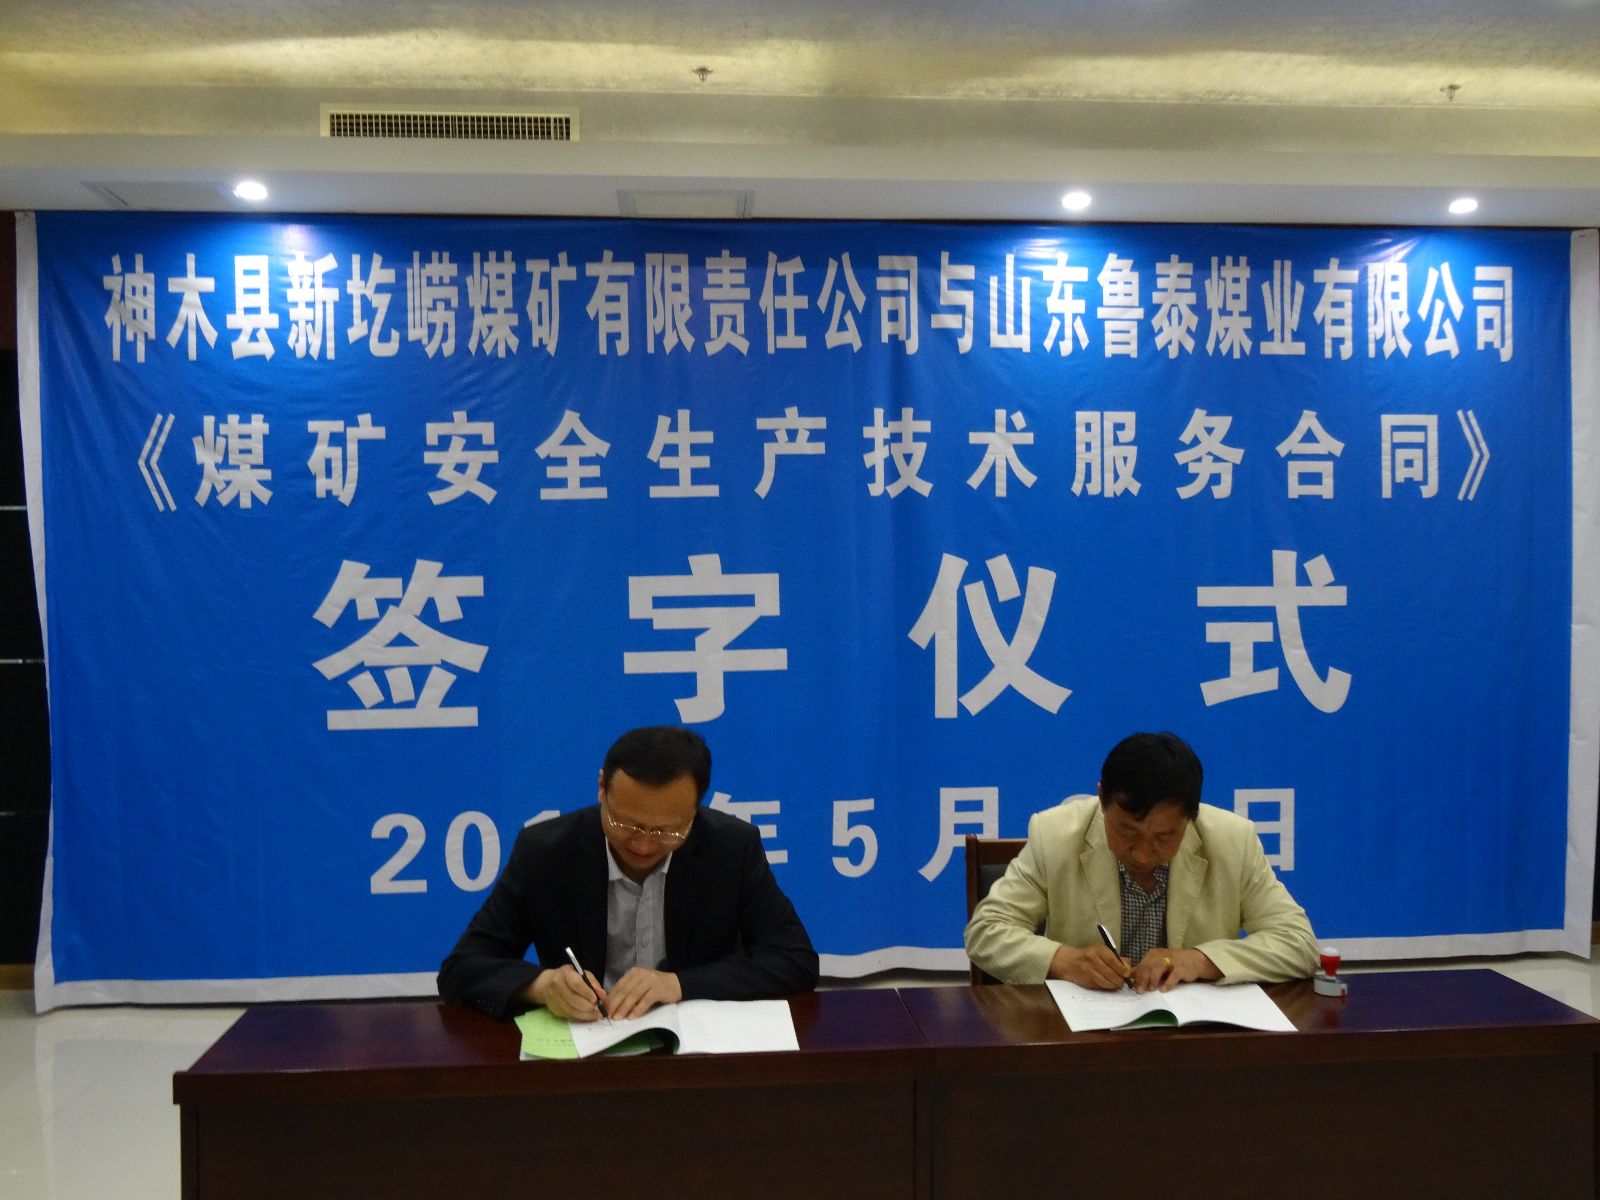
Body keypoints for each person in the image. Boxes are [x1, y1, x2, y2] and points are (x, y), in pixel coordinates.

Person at [438, 725, 819, 1021]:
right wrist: (542, 985)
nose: (644, 844)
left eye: (667, 831)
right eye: (625, 824)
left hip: (694, 1050)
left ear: (695, 810)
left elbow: (795, 960)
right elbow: (461, 968)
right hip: (586, 1047)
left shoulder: (732, 848)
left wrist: (678, 984)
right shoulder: (546, 852)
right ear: (601, 789)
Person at [964, 731, 1319, 992]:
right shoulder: (1054, 835)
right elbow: (985, 932)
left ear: (1191, 817)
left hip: (1194, 1043)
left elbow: (1299, 943)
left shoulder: (1232, 841)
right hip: (1082, 1043)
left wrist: (1200, 960)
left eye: (1164, 837)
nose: (1143, 854)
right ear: (1102, 799)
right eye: (1128, 832)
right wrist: (1066, 961)